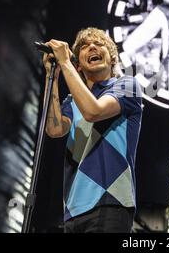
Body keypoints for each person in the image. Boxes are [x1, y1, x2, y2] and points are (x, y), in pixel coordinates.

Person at [43, 27, 143, 233]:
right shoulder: (72, 101)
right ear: (79, 65)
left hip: (110, 202)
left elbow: (93, 112)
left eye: (99, 44)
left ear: (112, 59)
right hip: (73, 207)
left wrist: (65, 62)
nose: (93, 47)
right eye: (86, 47)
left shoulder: (127, 85)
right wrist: (51, 75)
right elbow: (54, 129)